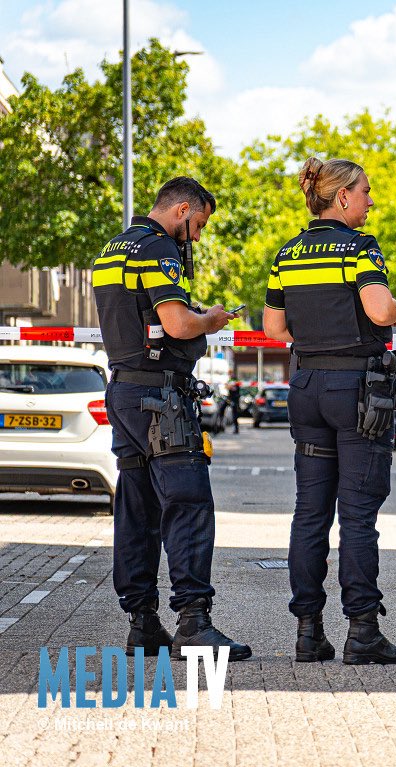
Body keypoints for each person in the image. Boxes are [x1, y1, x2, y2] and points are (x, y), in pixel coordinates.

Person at [93, 176, 250, 659]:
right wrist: (211, 319)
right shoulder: (157, 250)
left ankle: (143, 624)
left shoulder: (112, 249)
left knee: (137, 510)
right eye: (198, 224)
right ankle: (193, 623)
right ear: (182, 210)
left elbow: (144, 319)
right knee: (188, 503)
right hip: (161, 397)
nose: (197, 237)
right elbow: (178, 324)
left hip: (123, 390)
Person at [262, 156, 396, 665]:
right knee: (359, 515)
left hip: (306, 388)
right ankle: (363, 631)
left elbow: (274, 329)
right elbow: (379, 310)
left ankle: (308, 631)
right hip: (357, 390)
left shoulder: (288, 253)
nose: (371, 201)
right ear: (342, 197)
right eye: (366, 191)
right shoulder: (360, 249)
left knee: (309, 513)